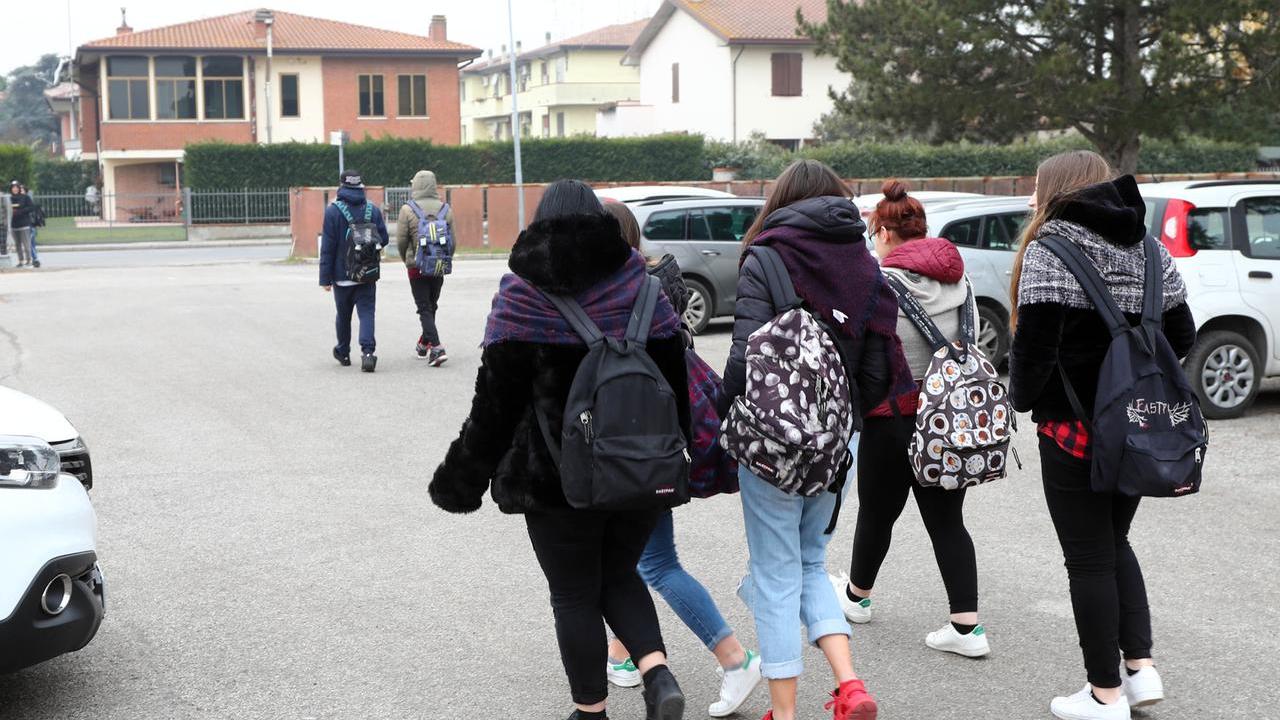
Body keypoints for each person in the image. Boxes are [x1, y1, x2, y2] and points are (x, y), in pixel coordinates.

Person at [429, 180, 691, 720]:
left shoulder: (522, 294)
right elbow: (677, 390)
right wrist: (676, 458)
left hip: (553, 481)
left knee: (573, 594)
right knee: (619, 575)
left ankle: (590, 711)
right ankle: (658, 677)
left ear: (540, 225)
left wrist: (461, 480)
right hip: (639, 474)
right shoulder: (644, 289)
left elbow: (494, 409)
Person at [1008, 150, 1196, 720]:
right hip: (1138, 428)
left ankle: (1103, 696)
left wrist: (1026, 402)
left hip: (1073, 433)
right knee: (1115, 544)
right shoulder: (1149, 248)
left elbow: (1033, 354)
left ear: (1056, 190)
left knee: (1088, 558)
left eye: (1038, 188)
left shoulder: (1049, 250)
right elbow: (1182, 332)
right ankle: (1141, 672)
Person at [723, 160, 912, 720]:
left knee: (775, 572)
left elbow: (743, 359)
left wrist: (719, 417)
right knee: (810, 562)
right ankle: (849, 684)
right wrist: (847, 414)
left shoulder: (767, 256)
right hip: (840, 443)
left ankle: (783, 713)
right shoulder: (864, 263)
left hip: (776, 444)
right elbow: (880, 372)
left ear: (782, 199)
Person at [601, 199, 764, 718]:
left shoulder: (612, 296)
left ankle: (734, 657)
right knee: (628, 556)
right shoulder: (656, 281)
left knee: (655, 562)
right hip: (662, 438)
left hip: (635, 443)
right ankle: (623, 654)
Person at [828, 179, 988, 658]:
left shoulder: (881, 285)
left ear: (885, 234)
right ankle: (967, 628)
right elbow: (973, 342)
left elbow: (867, 355)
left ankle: (856, 599)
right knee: (947, 521)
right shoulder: (963, 282)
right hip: (948, 419)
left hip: (890, 418)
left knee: (877, 513)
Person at [319, 169, 389, 372]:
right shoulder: (372, 210)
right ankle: (368, 353)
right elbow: (383, 239)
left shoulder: (333, 211)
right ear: (360, 185)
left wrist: (325, 279)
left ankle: (343, 352)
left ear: (341, 185)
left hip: (342, 277)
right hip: (367, 275)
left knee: (343, 315)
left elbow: (328, 248)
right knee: (367, 313)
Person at [395, 170, 451, 366]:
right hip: (439, 264)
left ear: (416, 186)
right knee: (432, 305)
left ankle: (436, 347)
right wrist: (444, 258)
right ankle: (423, 343)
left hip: (416, 267)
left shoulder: (407, 210)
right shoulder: (446, 208)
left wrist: (407, 259)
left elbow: (401, 241)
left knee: (424, 308)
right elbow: (453, 243)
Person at [8, 180, 34, 268]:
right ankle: (21, 261)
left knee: (26, 244)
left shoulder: (25, 197)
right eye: (13, 188)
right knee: (17, 244)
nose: (14, 189)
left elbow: (31, 207)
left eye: (16, 188)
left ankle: (29, 260)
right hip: (14, 225)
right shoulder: (9, 198)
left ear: (19, 188)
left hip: (24, 224)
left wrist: (20, 211)